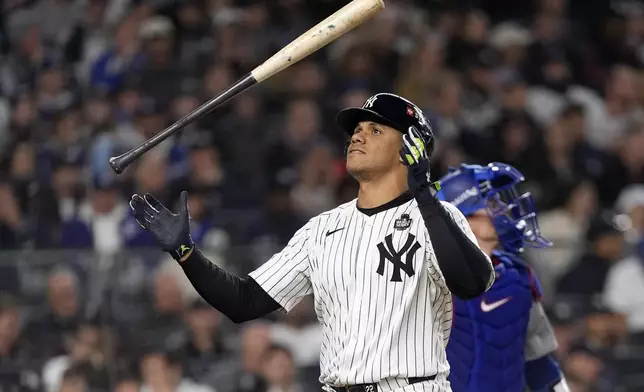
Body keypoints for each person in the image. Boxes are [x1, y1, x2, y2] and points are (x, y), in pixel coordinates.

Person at [129, 92, 494, 391]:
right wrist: (186, 253)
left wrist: (425, 195)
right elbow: (244, 301)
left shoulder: (438, 216)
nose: (357, 136)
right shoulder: (321, 229)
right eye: (356, 130)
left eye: (375, 129)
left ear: (411, 146)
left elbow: (471, 282)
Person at [435, 162, 570, 392]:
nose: (504, 209)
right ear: (463, 216)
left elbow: (539, 362)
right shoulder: (433, 278)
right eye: (492, 203)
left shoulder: (518, 276)